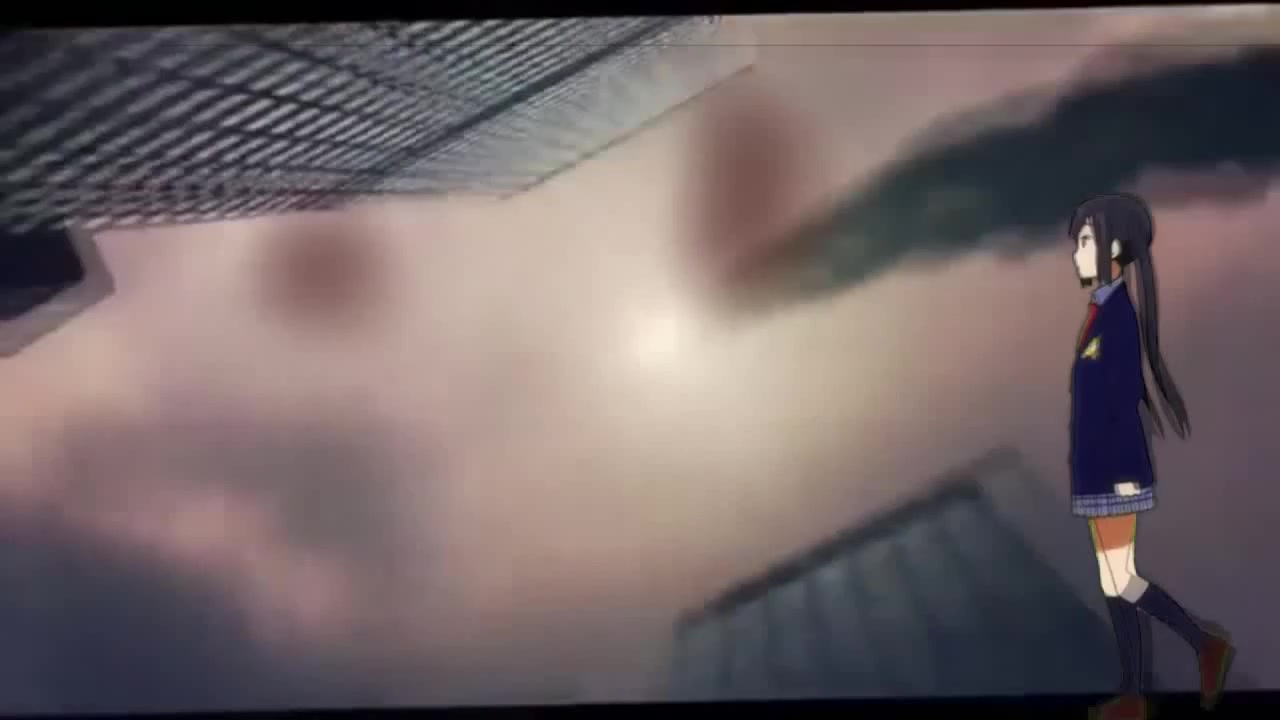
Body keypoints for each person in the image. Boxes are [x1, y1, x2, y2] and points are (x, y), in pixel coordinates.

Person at [1065, 193, 1234, 720]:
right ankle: (1135, 692)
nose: (1076, 253)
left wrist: (1116, 476)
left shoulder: (1117, 317)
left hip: (1113, 474)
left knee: (1120, 579)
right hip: (1097, 471)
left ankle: (1202, 646)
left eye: (1085, 241)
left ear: (1114, 247)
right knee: (1113, 580)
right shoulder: (1102, 311)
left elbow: (1119, 400)